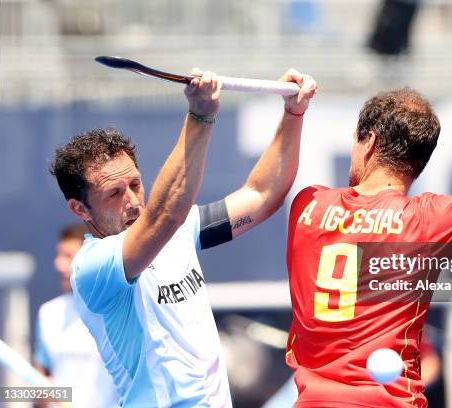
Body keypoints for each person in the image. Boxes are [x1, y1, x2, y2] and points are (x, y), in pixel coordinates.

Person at [284, 37, 452, 407]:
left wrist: (291, 115)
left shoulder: (308, 205)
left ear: (369, 142)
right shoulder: (432, 218)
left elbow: (266, 191)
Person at [49, 68, 317, 407]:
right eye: (114, 193)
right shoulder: (92, 267)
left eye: (134, 184)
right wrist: (199, 117)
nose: (132, 201)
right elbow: (164, 215)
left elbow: (262, 195)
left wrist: (293, 114)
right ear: (80, 209)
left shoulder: (180, 230)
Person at [34, 223, 119, 408]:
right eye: (59, 255)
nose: (59, 264)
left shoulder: (118, 309)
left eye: (68, 256)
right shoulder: (48, 313)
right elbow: (39, 383)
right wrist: (40, 393)